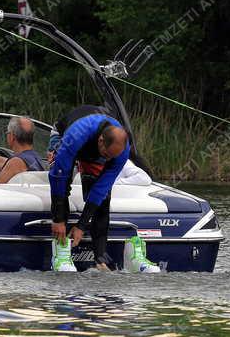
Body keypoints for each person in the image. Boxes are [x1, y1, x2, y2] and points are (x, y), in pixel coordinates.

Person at [49, 105, 160, 272]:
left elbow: (101, 189)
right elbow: (57, 176)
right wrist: (58, 219)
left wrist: (81, 225)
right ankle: (61, 249)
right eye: (107, 156)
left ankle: (100, 259)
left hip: (93, 148)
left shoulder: (120, 152)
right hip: (64, 135)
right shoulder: (77, 135)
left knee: (103, 199)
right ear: (101, 141)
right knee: (63, 183)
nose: (107, 159)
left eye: (111, 157)